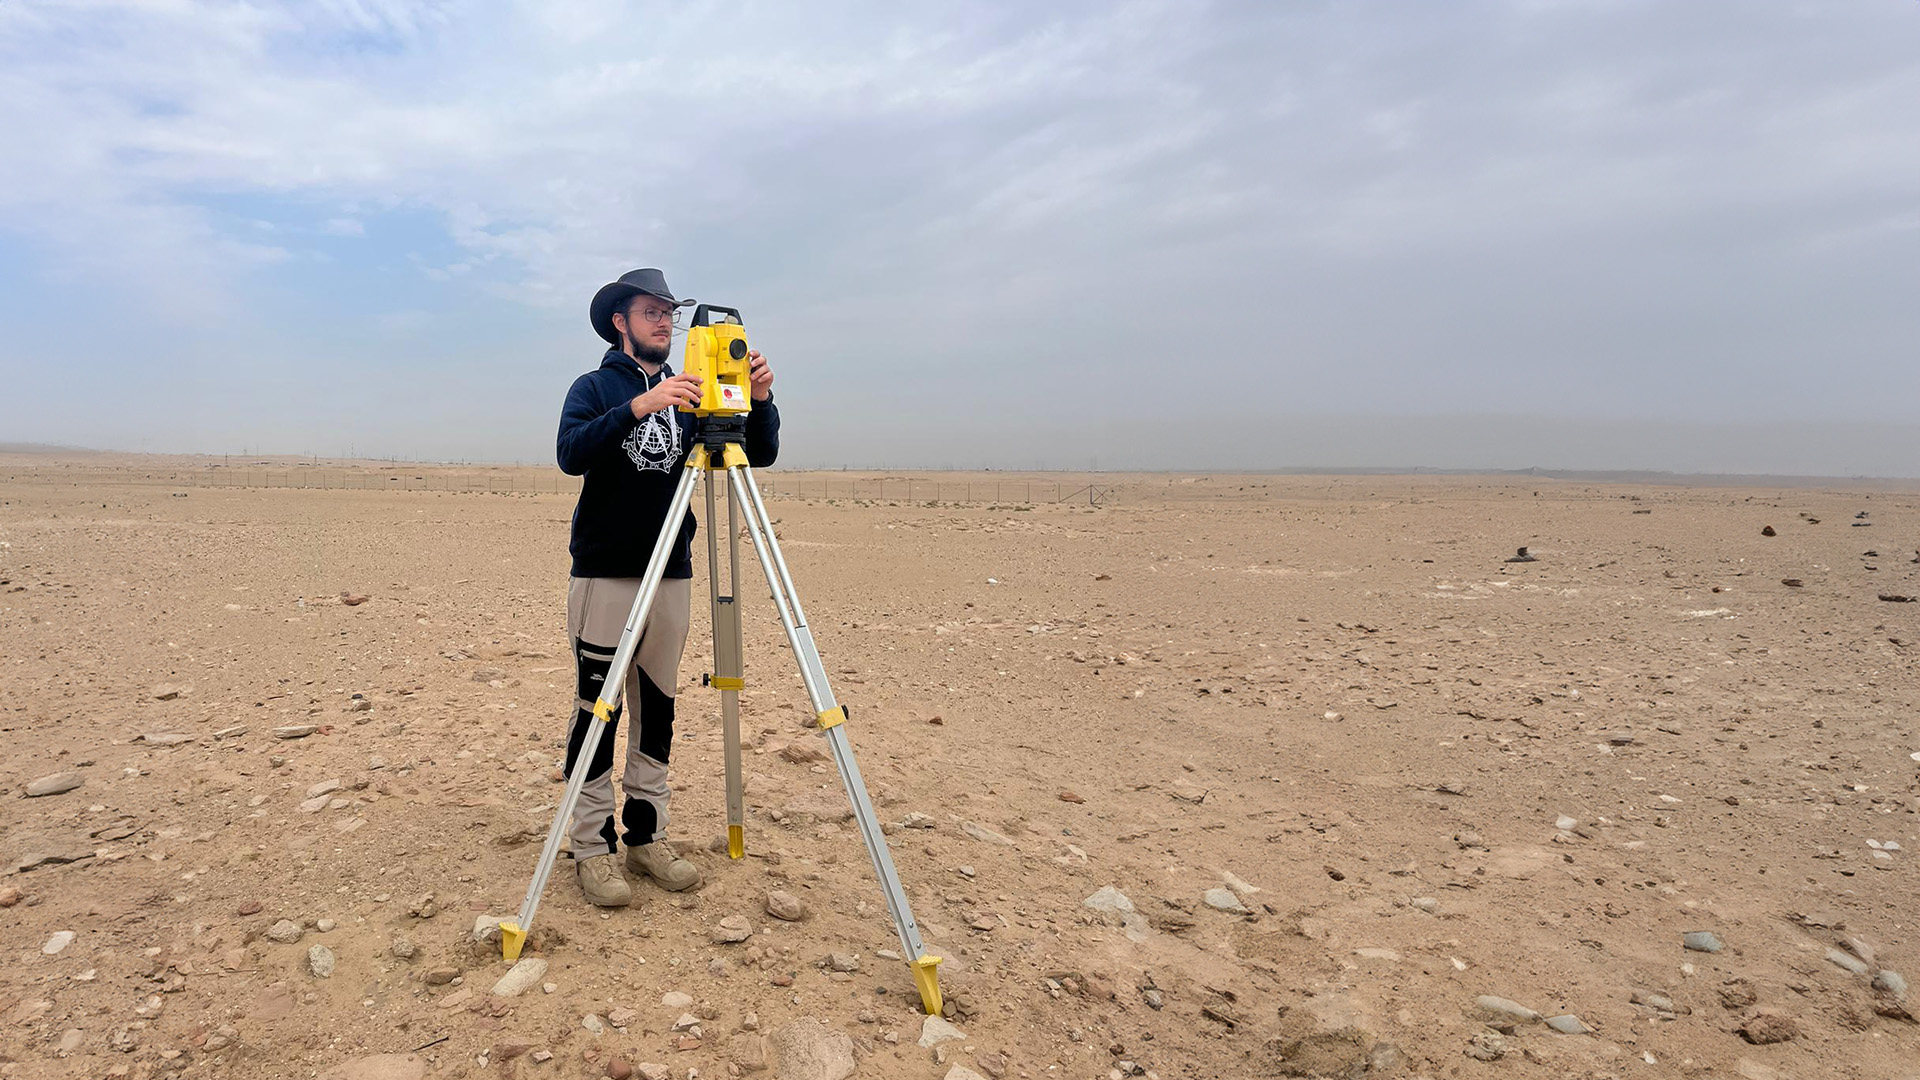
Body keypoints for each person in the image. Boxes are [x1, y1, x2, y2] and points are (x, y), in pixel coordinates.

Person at [555, 267, 779, 906]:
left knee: (658, 706)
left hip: (671, 571)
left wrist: (758, 400)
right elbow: (571, 452)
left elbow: (756, 453)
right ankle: (591, 846)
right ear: (621, 322)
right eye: (651, 311)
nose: (663, 322)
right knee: (598, 708)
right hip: (606, 572)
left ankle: (646, 836)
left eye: (668, 312)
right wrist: (639, 406)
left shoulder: (693, 393)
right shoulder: (594, 387)